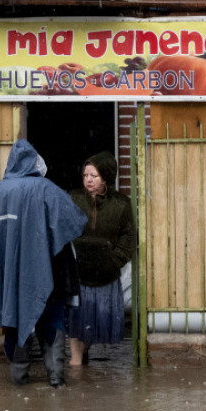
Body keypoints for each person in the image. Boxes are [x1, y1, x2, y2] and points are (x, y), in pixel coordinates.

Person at [0, 139, 87, 387]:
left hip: (8, 276)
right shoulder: (47, 189)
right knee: (52, 320)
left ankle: (19, 381)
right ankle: (56, 380)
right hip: (47, 273)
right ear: (34, 163)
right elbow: (74, 222)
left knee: (14, 320)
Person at [67, 151, 135, 366]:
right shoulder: (73, 199)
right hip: (79, 273)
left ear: (105, 177)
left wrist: (115, 260)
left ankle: (83, 355)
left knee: (97, 321)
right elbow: (62, 230)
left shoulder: (121, 204)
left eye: (93, 175)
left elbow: (128, 237)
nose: (88, 179)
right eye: (85, 175)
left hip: (106, 273)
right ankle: (76, 364)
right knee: (77, 320)